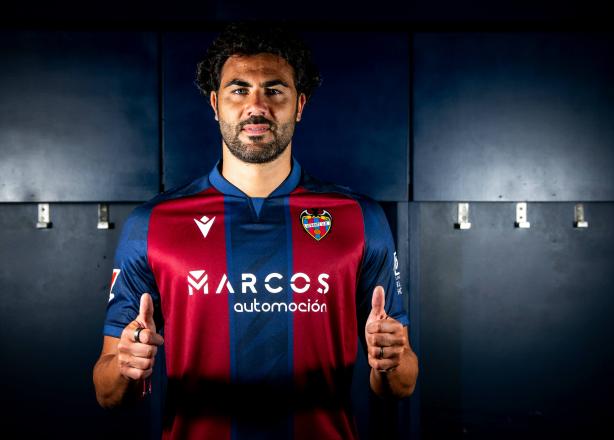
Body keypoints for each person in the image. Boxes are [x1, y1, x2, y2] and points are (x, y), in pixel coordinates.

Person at [93, 22, 418, 439]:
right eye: (239, 89)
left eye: (275, 90)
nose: (257, 105)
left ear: (299, 105)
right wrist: (124, 367)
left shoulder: (360, 217)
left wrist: (390, 362)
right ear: (215, 104)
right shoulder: (152, 223)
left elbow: (402, 384)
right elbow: (107, 394)